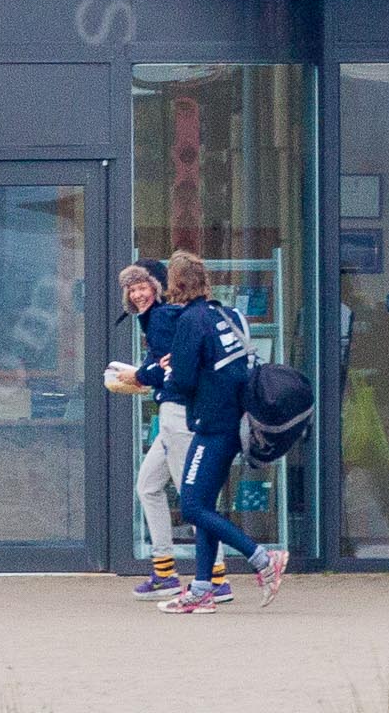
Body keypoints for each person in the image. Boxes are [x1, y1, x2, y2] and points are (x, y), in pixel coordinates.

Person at [152, 253, 289, 614]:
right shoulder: (222, 314)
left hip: (212, 425)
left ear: (176, 283)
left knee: (193, 506)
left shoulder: (189, 321)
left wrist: (155, 374)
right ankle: (202, 589)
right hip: (235, 423)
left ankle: (262, 559)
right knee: (204, 504)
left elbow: (181, 381)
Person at [124, 256, 231, 601]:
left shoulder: (162, 318)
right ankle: (165, 571)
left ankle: (217, 578)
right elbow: (165, 361)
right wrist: (148, 370)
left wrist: (141, 375)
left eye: (143, 286)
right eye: (132, 288)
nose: (138, 294)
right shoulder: (159, 317)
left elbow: (175, 366)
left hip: (179, 416)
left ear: (159, 287)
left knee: (194, 499)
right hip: (171, 413)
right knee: (148, 486)